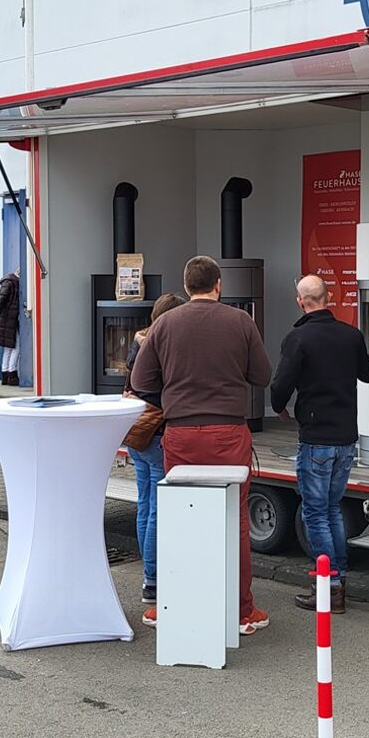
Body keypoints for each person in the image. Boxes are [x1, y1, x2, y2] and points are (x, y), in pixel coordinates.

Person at [131, 256, 273, 635]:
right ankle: (242, 611)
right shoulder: (240, 321)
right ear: (218, 285)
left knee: (180, 517)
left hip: (180, 434)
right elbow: (262, 375)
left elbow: (141, 380)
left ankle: (171, 604)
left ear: (186, 285)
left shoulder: (165, 324)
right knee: (234, 519)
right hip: (228, 433)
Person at [269, 275, 369, 613]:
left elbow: (281, 384)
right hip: (346, 438)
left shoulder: (298, 338)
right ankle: (338, 581)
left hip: (316, 437)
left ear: (300, 301)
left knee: (315, 513)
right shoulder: (351, 335)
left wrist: (279, 407)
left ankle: (329, 588)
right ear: (328, 298)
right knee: (332, 510)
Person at [122, 292, 186, 606]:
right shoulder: (161, 347)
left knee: (145, 505)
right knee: (158, 509)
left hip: (138, 434)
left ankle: (150, 578)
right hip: (158, 434)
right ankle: (155, 579)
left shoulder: (138, 342)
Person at [0, 271, 23, 386]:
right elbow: (0, 300)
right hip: (9, 319)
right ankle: (12, 374)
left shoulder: (9, 282)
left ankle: (5, 375)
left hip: (7, 318)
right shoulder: (11, 282)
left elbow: (1, 300)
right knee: (16, 346)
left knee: (8, 347)